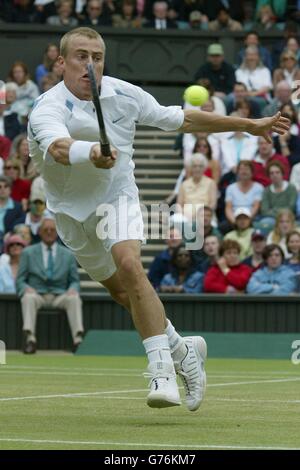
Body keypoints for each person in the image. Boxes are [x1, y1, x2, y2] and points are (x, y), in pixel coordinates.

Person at [27, 26, 290, 411]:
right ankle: (185, 350)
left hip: (117, 198)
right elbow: (59, 147)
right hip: (70, 215)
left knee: (131, 264)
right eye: (81, 56)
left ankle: (162, 370)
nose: (90, 65)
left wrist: (250, 125)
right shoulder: (46, 108)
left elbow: (182, 119)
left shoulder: (125, 95)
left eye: (97, 57)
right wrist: (93, 153)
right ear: (61, 62)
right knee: (122, 293)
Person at [16, 218, 84, 354]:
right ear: (39, 232)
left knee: (74, 298)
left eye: (52, 230)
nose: (49, 232)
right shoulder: (28, 253)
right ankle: (30, 339)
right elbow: (20, 280)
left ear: (57, 232)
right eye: (45, 230)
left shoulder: (69, 254)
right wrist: (25, 288)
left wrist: (72, 289)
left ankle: (78, 341)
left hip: (60, 295)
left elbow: (75, 281)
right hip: (37, 294)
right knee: (27, 298)